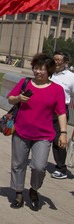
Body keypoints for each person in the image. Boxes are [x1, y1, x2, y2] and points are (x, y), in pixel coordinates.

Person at [8, 53, 67, 210]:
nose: (38, 72)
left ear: (49, 71)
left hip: (43, 135)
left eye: (42, 69)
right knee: (18, 164)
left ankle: (34, 190)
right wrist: (18, 98)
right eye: (35, 68)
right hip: (21, 130)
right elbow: (10, 99)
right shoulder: (25, 82)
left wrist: (63, 133)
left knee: (39, 166)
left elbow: (61, 112)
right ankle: (19, 193)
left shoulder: (57, 90)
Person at [49, 52, 74, 179]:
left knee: (58, 139)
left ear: (65, 62)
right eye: (55, 59)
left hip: (60, 110)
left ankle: (61, 168)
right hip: (45, 108)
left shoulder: (71, 77)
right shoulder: (48, 73)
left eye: (59, 60)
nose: (56, 62)